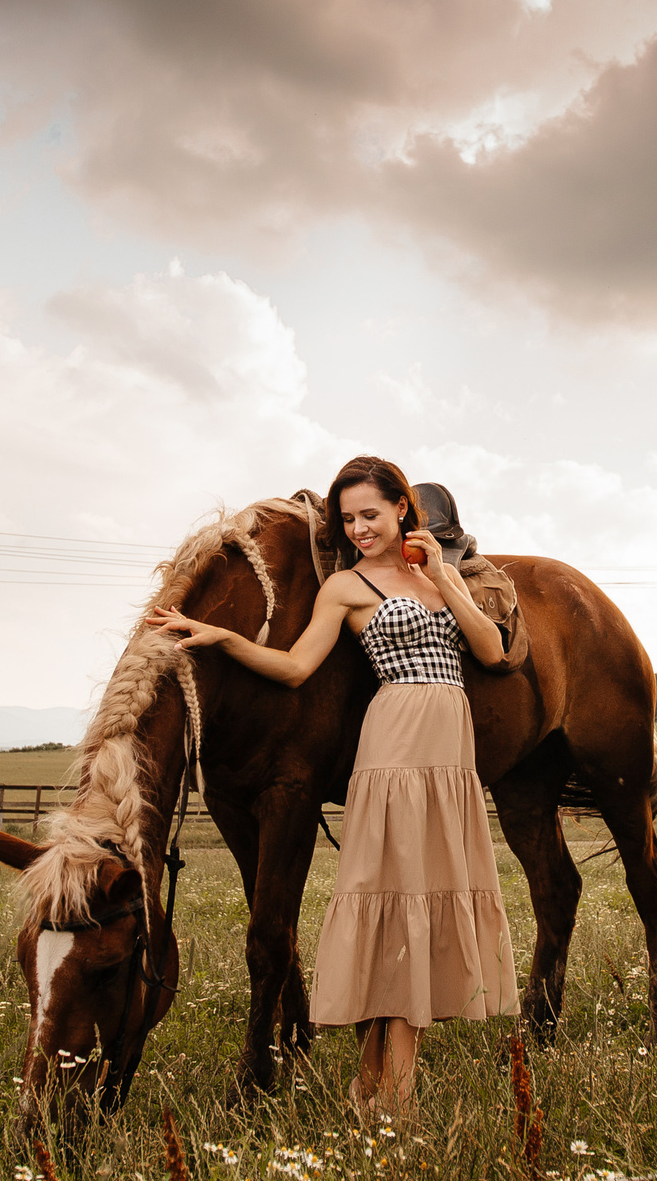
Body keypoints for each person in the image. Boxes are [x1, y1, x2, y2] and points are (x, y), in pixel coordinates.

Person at [145, 455, 517, 1114]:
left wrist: (445, 579)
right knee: (396, 902)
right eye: (348, 519)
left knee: (423, 902)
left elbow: (490, 650)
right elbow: (293, 666)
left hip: (449, 753)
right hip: (395, 742)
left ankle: (370, 1084)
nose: (360, 528)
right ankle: (393, 1094)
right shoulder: (346, 587)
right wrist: (218, 637)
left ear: (403, 507)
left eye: (370, 514)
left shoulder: (445, 574)